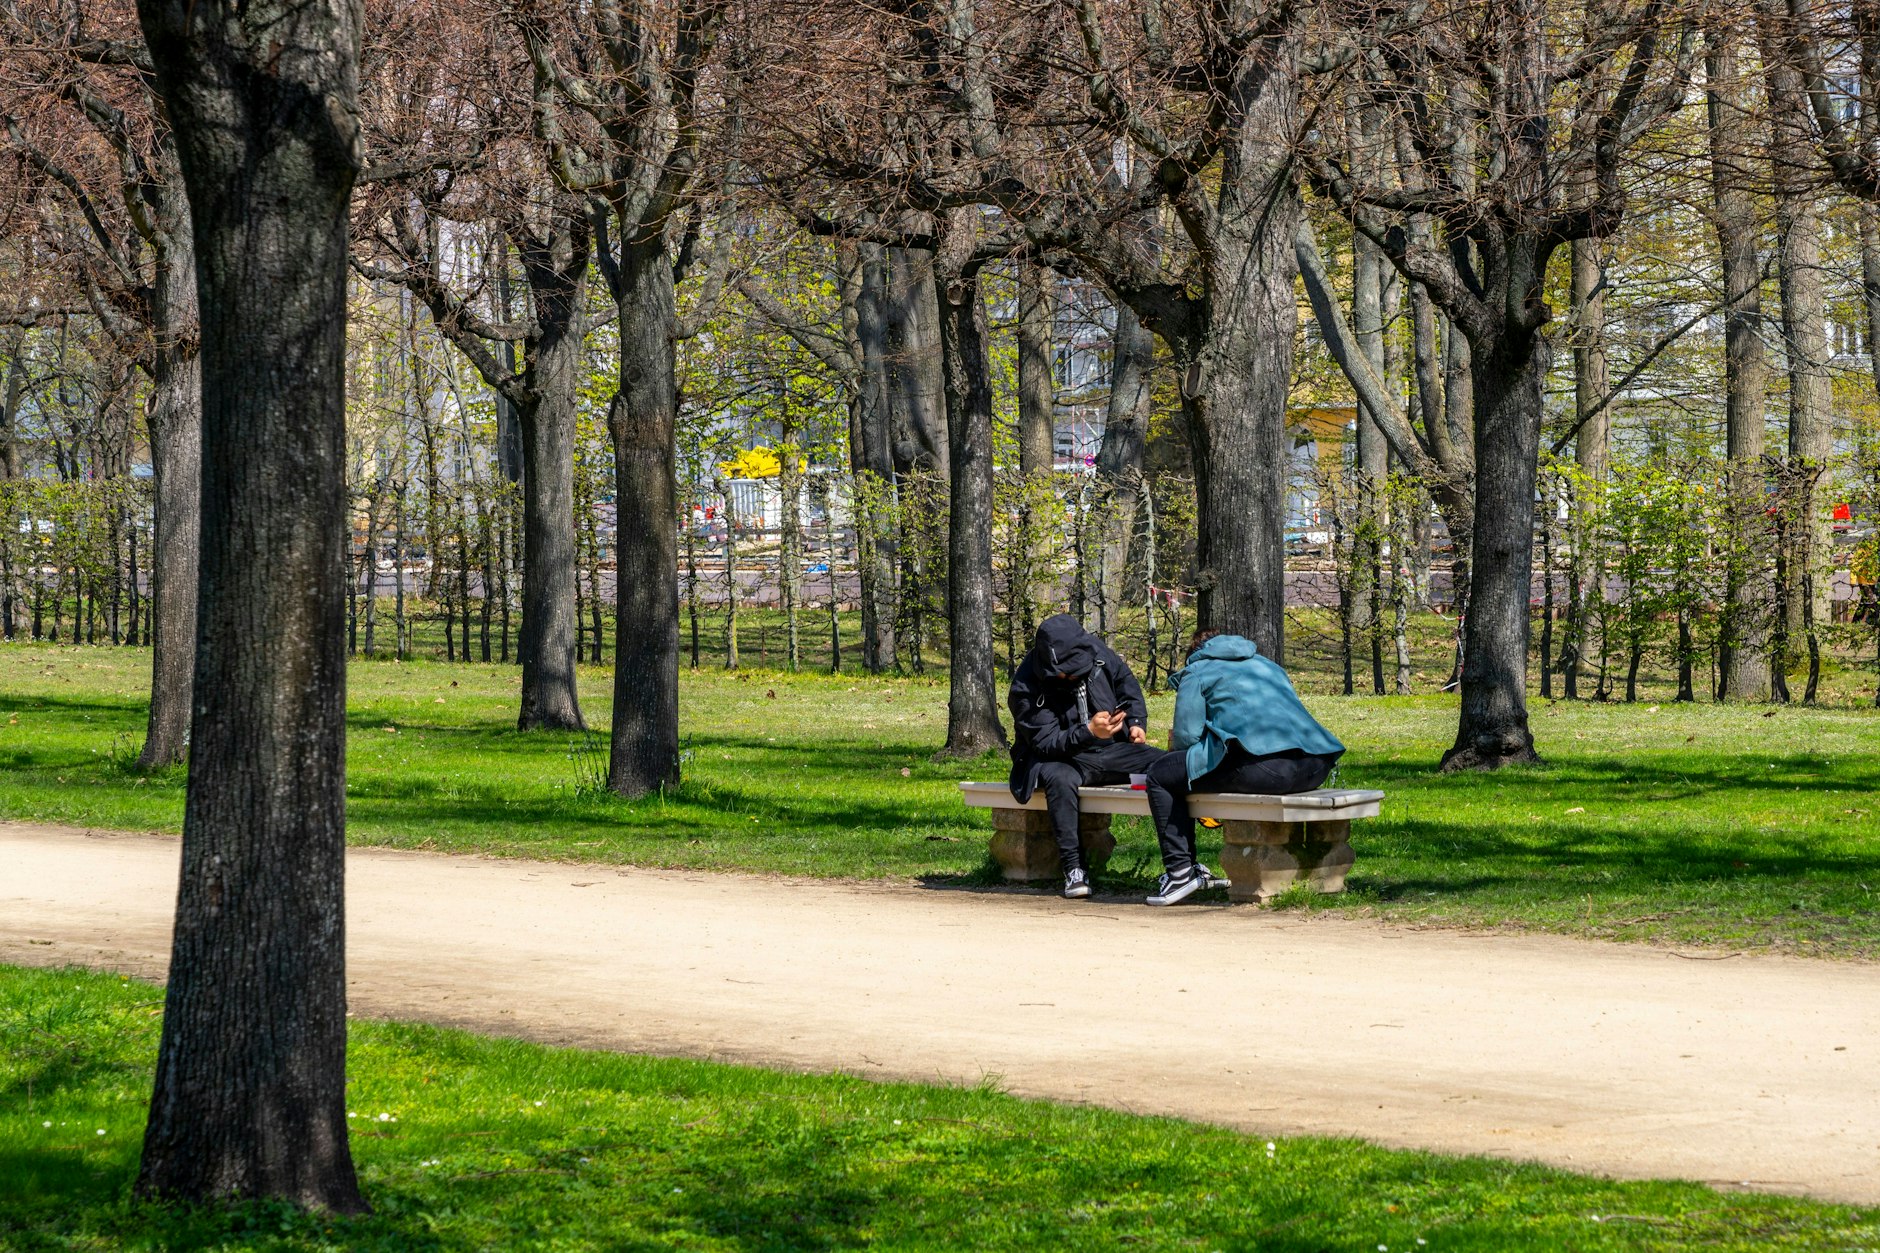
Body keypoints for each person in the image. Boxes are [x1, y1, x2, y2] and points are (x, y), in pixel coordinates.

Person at [1142, 628, 1346, 906]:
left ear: (1194, 653)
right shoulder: (1267, 665)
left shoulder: (1197, 670)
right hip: (1314, 766)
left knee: (1160, 774)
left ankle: (1180, 872)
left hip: (1267, 768)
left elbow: (1185, 738)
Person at [1008, 614, 1169, 898]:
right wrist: (1089, 732)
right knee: (1059, 778)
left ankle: (1181, 867)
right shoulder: (1026, 687)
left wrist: (1136, 724)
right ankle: (1073, 869)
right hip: (1058, 758)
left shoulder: (1098, 652)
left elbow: (1126, 683)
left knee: (1169, 765)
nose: (1074, 676)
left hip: (1109, 750)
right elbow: (1046, 743)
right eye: (1068, 672)